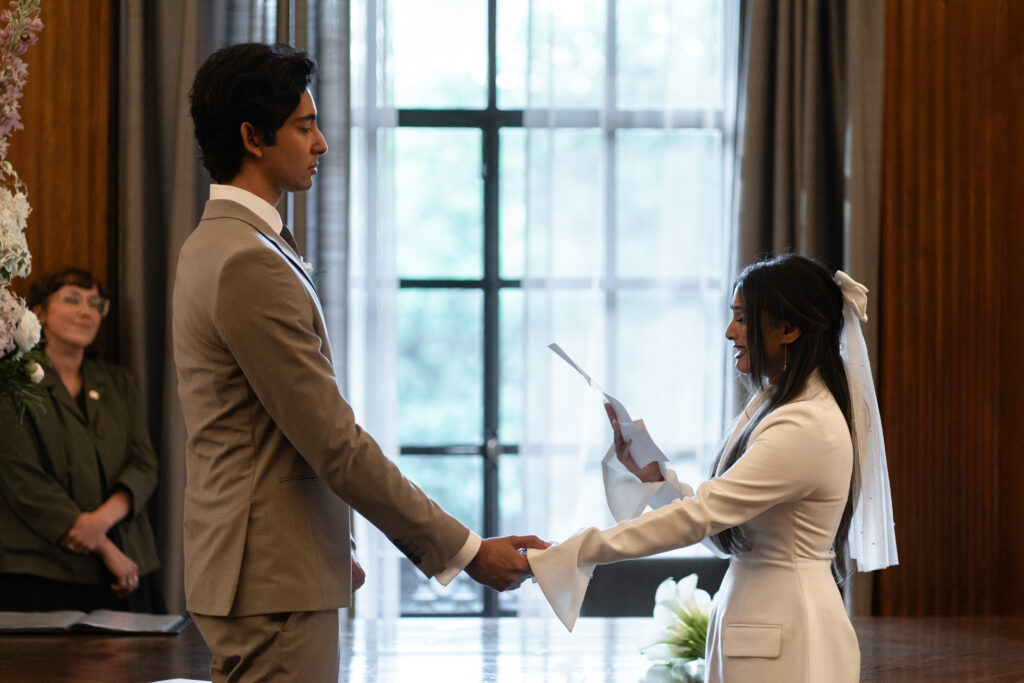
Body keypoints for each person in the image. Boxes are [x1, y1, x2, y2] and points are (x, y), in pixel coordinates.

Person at [175, 42, 546, 682]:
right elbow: (333, 442)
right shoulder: (247, 261)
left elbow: (264, 435)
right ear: (251, 138)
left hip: (272, 570)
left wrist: (326, 546)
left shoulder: (218, 244)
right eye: (304, 125)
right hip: (271, 584)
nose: (320, 144)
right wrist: (466, 551)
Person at [526, 254, 898, 683]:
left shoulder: (805, 425)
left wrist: (574, 551)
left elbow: (701, 516)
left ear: (789, 329)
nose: (729, 332)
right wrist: (656, 479)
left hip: (789, 634)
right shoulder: (774, 404)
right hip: (758, 628)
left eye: (742, 318)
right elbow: (725, 529)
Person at [0, 267, 162, 612]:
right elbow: (22, 480)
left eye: (95, 303)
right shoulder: (13, 382)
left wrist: (99, 523)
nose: (86, 311)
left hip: (127, 567)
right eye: (72, 299)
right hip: (43, 570)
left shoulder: (118, 382)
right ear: (39, 313)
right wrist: (102, 545)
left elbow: (145, 464)